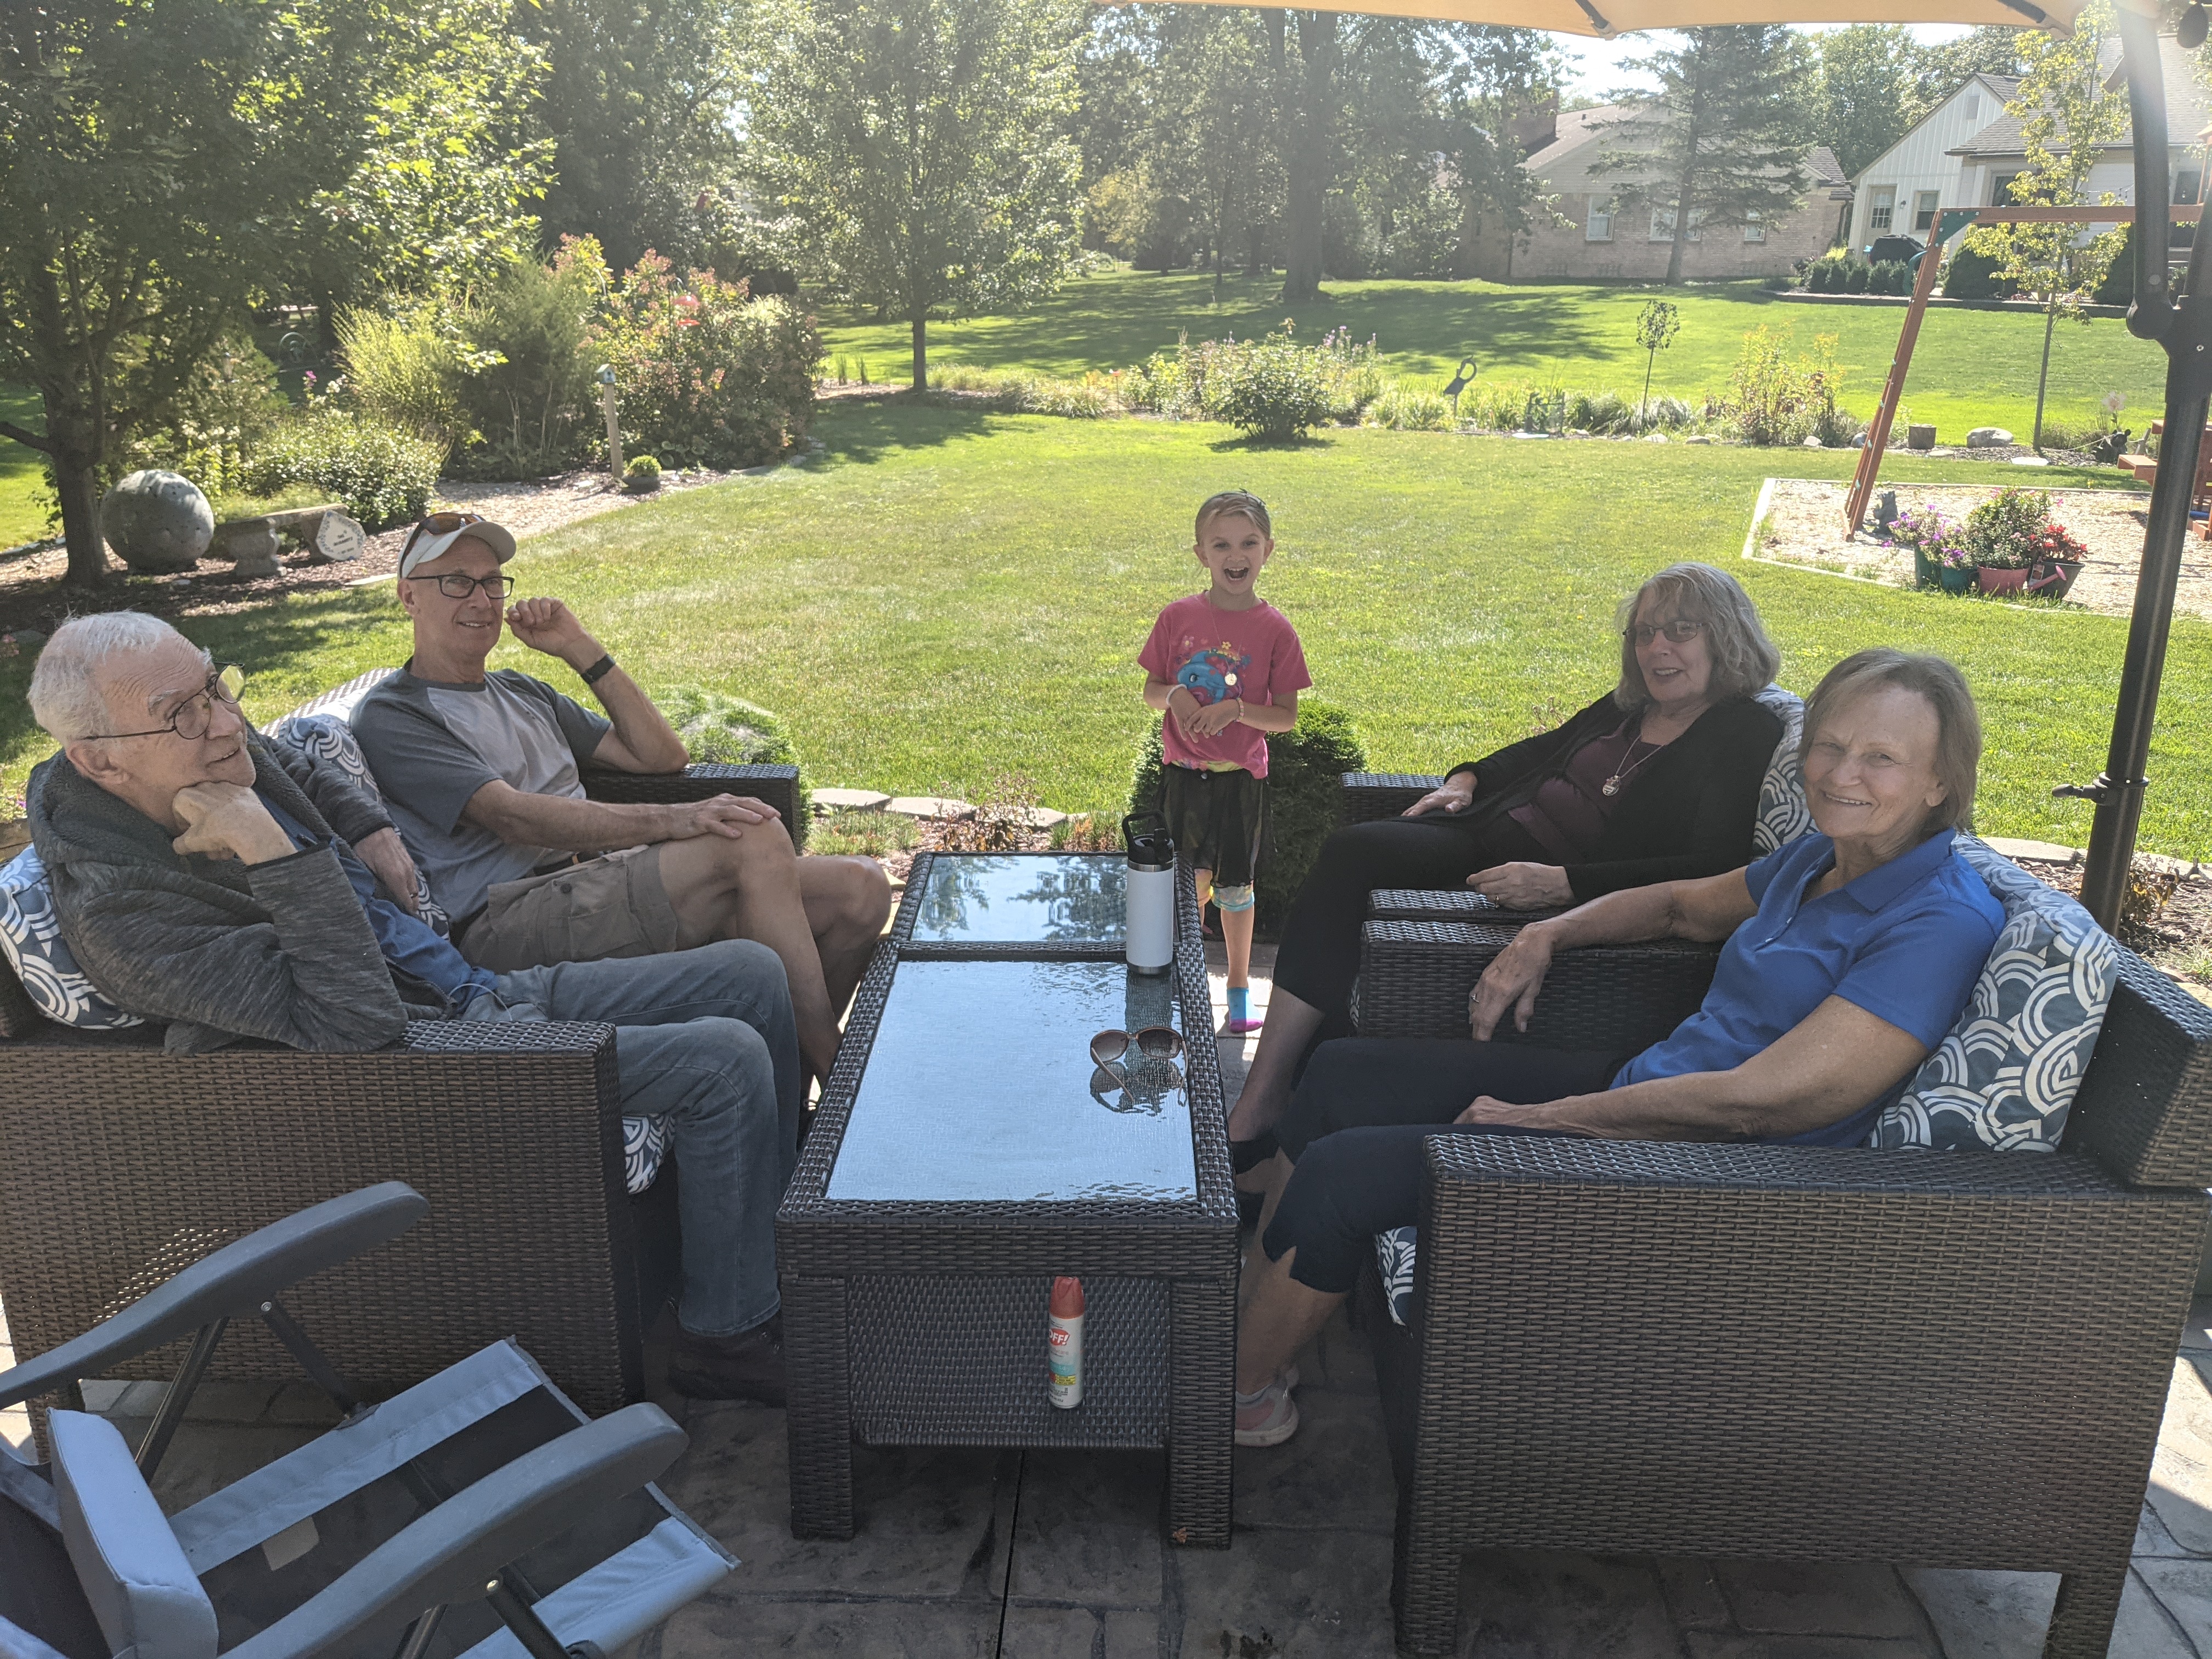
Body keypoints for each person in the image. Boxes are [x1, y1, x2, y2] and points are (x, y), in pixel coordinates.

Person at [1229, 649, 2005, 1446]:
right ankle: (1254, 1316)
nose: (1842, 774)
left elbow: (1761, 1103)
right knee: (1341, 1075)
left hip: (1711, 1183)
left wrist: (1546, 1119)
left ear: (1940, 782)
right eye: (1831, 746)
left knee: (1343, 1175)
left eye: (1882, 758)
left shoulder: (1937, 922)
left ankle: (1239, 1397)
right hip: (1646, 1091)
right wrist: (1549, 933)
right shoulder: (1821, 859)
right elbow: (1677, 907)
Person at [25, 612, 801, 1404]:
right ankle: (724, 1340)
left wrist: (366, 827)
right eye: (182, 714)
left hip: (462, 985)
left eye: (216, 687)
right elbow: (357, 1026)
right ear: (98, 759)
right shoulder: (128, 920)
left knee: (750, 973)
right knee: (722, 1061)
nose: (225, 721)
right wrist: (274, 854)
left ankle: (769, 1254)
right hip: (422, 1060)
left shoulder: (207, 753)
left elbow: (298, 765)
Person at [1226, 561, 1785, 1161]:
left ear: (1724, 635)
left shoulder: (1741, 730)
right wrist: (1468, 778)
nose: (1657, 649)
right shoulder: (1631, 704)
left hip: (1551, 888)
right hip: (1490, 837)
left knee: (1354, 875)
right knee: (1351, 862)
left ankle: (1267, 1107)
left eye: (1680, 630)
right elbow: (1538, 753)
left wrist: (1568, 884)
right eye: (1645, 633)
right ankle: (1277, 1093)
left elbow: (1708, 868)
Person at [349, 512, 891, 1085]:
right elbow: (511, 817)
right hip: (505, 921)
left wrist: (578, 647)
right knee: (750, 838)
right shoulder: (395, 713)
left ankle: (792, 1085)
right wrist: (677, 819)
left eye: (491, 582)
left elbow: (661, 756)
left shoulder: (521, 691)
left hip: (596, 886)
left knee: (861, 889)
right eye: (457, 582)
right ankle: (839, 1076)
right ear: (409, 596)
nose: (481, 600)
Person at [1139, 491, 1311, 1034]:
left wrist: (1236, 710)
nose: (1236, 556)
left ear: (1268, 550)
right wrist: (1175, 695)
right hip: (1183, 780)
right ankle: (1181, 983)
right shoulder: (1177, 617)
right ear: (1201, 554)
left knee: (1237, 891)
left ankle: (1238, 989)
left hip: (1240, 783)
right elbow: (1151, 689)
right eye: (1221, 545)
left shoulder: (1277, 630)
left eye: (1248, 543)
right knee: (1186, 889)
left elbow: (1286, 718)